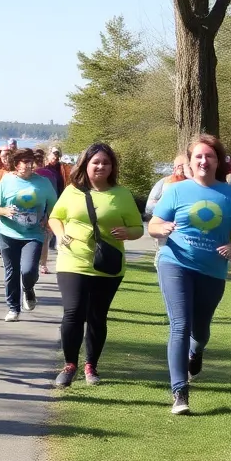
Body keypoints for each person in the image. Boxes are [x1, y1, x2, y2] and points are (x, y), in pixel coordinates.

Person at [149, 134, 231, 415]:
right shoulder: (177, 191)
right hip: (175, 263)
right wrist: (162, 229)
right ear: (190, 163)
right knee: (180, 324)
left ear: (218, 161)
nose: (204, 161)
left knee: (200, 330)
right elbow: (154, 223)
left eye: (209, 156)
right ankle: (180, 392)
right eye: (198, 157)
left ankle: (196, 351)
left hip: (213, 270)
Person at [47, 143, 143, 388]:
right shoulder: (72, 191)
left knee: (97, 316)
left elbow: (138, 228)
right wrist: (60, 235)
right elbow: (55, 217)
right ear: (86, 165)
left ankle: (91, 365)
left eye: (106, 163)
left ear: (112, 167)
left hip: (107, 263)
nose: (101, 166)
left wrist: (127, 232)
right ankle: (69, 365)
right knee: (73, 312)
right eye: (96, 162)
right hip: (73, 260)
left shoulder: (121, 194)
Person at [0, 149, 58, 322]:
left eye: (29, 161)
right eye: (22, 161)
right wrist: (4, 211)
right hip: (8, 232)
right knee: (11, 272)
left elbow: (55, 208)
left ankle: (28, 288)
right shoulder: (7, 181)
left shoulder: (43, 183)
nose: (26, 165)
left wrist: (48, 220)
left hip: (33, 233)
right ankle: (13, 308)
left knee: (28, 270)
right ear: (15, 163)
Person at [144, 154, 189, 267]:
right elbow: (149, 206)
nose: (182, 169)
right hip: (165, 228)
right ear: (174, 167)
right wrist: (167, 209)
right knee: (164, 257)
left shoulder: (194, 184)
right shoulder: (164, 182)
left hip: (187, 231)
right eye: (180, 166)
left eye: (186, 166)